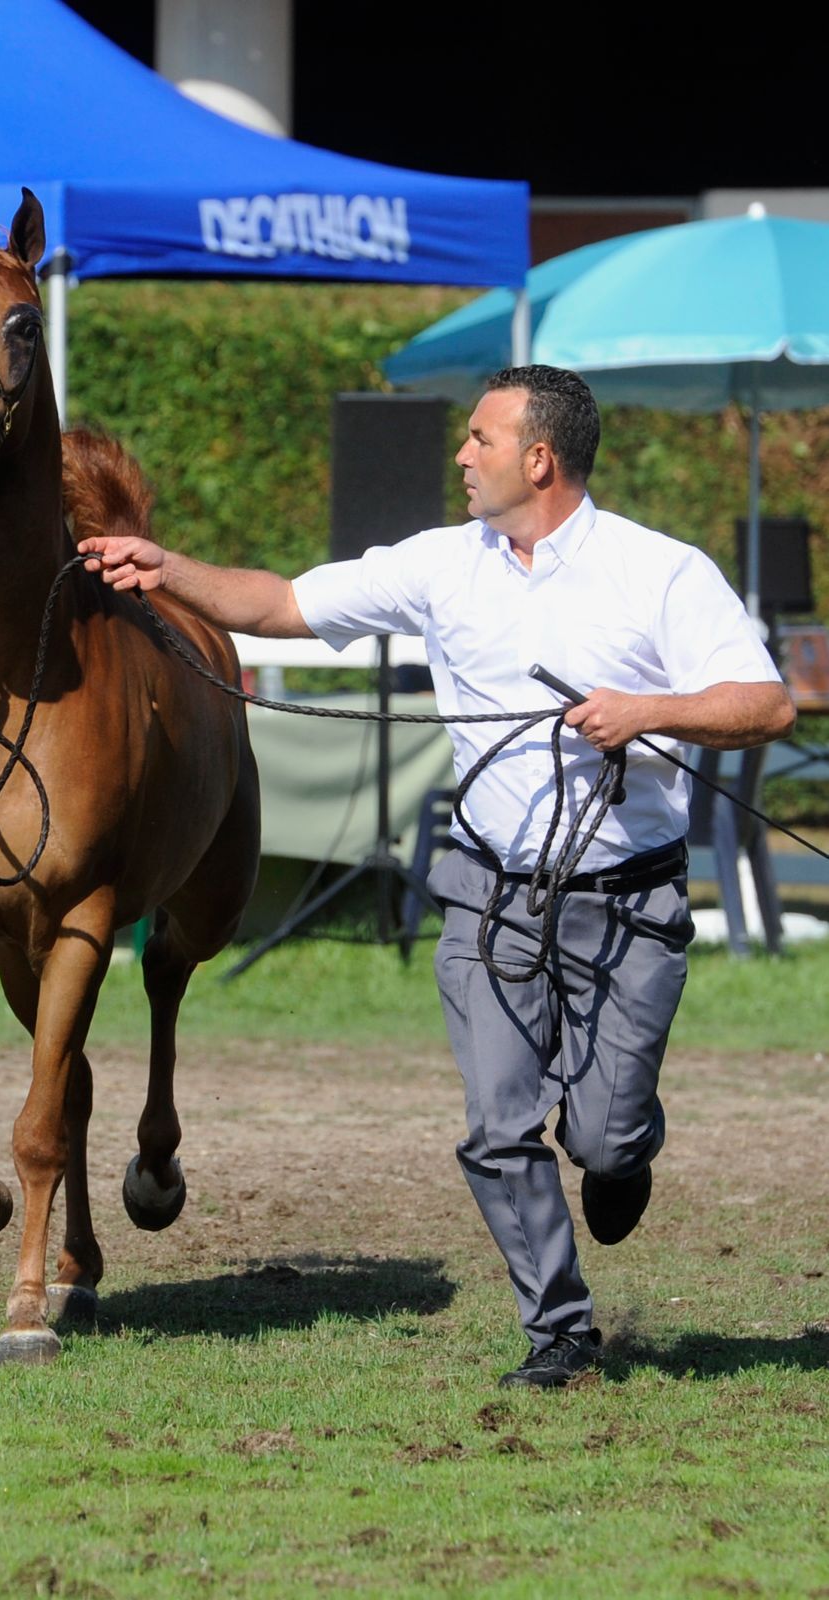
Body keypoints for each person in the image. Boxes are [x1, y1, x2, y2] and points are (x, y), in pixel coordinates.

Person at [78, 366, 795, 1389]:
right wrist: (163, 567)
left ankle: (621, 1148)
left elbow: (763, 704)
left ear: (537, 459)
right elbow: (280, 603)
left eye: (479, 439)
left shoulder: (659, 572)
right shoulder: (438, 565)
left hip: (628, 903)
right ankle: (559, 1332)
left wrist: (645, 711)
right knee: (497, 1126)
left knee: (598, 1130)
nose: (460, 455)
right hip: (489, 895)